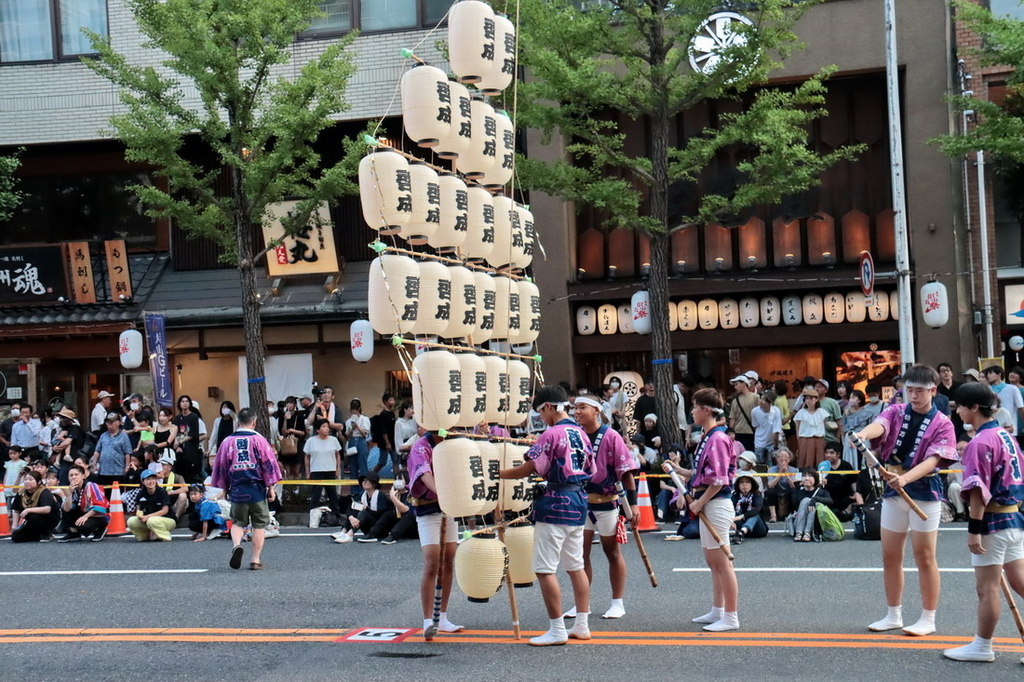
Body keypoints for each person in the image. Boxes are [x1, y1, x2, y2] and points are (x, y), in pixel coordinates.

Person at [851, 364, 958, 637]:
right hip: (892, 489)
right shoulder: (897, 411)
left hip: (923, 491)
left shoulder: (943, 422)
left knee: (924, 557)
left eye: (919, 391)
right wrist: (864, 435)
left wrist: (907, 479)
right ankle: (893, 614)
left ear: (933, 391)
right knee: (890, 556)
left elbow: (935, 458)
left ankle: (928, 618)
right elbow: (881, 424)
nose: (913, 396)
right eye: (909, 390)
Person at [500, 385, 595, 645]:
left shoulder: (551, 433)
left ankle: (557, 629)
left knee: (544, 569)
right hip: (578, 502)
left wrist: (500, 474)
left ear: (549, 407)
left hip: (554, 503)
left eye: (541, 412)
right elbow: (590, 468)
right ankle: (582, 625)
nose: (541, 417)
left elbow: (532, 466)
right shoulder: (581, 433)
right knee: (575, 566)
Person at [942, 381, 1024, 664]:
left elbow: (977, 491)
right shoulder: (1007, 436)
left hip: (992, 521)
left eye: (961, 407)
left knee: (986, 589)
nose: (958, 412)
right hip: (1014, 518)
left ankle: (982, 646)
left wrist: (973, 531)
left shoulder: (979, 442)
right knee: (1021, 582)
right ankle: (981, 645)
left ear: (974, 407)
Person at [662, 387, 740, 632]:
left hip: (716, 504)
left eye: (695, 407)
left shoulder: (717, 438)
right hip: (709, 502)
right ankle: (718, 610)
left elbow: (718, 480)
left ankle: (731, 615)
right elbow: (701, 475)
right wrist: (678, 470)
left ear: (706, 410)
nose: (692, 412)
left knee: (722, 562)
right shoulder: (708, 436)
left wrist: (699, 501)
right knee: (713, 561)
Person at [569, 394, 639, 620]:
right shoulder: (574, 435)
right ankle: (583, 603)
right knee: (580, 554)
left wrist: (634, 504)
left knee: (612, 552)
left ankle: (617, 602)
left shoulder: (611, 436)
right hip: (581, 502)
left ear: (597, 410)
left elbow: (625, 471)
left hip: (606, 503)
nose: (576, 412)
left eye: (582, 407)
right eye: (575, 408)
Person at [407, 431, 464, 639]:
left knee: (448, 560)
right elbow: (424, 474)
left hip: (449, 508)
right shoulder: (421, 446)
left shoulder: (454, 442)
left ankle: (443, 616)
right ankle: (427, 619)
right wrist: (443, 491)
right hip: (428, 510)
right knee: (433, 562)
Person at [212, 407, 283, 570]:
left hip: (237, 488)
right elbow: (268, 464)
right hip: (256, 488)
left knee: (237, 521)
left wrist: (224, 489)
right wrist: (271, 487)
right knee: (259, 524)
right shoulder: (259, 440)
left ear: (238, 422)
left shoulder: (227, 441)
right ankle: (255, 559)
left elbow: (221, 465)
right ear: (254, 422)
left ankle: (237, 544)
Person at [332, 472, 394, 544]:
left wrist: (367, 509)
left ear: (374, 483)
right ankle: (343, 531)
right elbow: (351, 507)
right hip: (368, 527)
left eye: (367, 480)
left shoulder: (380, 496)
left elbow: (382, 515)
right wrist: (351, 517)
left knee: (363, 513)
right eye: (363, 480)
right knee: (355, 510)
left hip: (380, 529)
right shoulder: (363, 494)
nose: (364, 482)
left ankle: (349, 535)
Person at [58, 464, 109, 542]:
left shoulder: (91, 486)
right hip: (84, 512)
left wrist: (85, 517)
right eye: (71, 475)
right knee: (65, 508)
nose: (73, 477)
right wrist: (69, 494)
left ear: (83, 476)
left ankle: (100, 529)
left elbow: (100, 506)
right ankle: (73, 533)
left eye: (76, 474)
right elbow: (67, 509)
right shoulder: (73, 489)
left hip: (98, 515)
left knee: (83, 526)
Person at [304, 419, 343, 514]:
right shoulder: (311, 441)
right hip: (316, 470)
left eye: (327, 427)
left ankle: (336, 514)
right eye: (324, 427)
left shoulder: (333, 440)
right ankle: (313, 515)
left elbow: (338, 455)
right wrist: (308, 472)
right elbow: (307, 457)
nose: (326, 429)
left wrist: (338, 469)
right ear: (317, 430)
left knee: (332, 493)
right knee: (316, 494)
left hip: (330, 470)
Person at [128, 469, 177, 541]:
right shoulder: (140, 493)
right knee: (131, 521)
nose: (151, 481)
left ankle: (165, 536)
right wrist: (139, 515)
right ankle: (144, 537)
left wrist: (147, 517)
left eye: (153, 479)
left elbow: (165, 510)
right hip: (148, 519)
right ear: (143, 481)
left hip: (168, 519)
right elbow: (138, 509)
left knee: (152, 521)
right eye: (148, 479)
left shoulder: (161, 492)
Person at [10, 470, 59, 542]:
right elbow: (16, 510)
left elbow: (47, 509)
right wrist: (14, 526)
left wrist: (28, 510)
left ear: (39, 482)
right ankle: (37, 535)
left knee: (32, 515)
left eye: (30, 479)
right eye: (26, 479)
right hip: (31, 521)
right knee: (16, 537)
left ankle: (46, 534)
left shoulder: (44, 491)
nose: (27, 481)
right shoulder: (21, 492)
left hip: (49, 519)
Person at [91, 412, 132, 488]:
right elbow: (97, 451)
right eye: (108, 422)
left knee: (116, 495)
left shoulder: (123, 436)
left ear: (118, 423)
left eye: (112, 422)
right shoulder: (103, 436)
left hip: (117, 472)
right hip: (103, 471)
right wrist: (94, 464)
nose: (109, 424)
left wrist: (127, 467)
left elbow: (127, 453)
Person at [790, 469, 831, 541]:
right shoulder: (799, 491)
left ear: (815, 479)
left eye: (810, 476)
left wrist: (815, 499)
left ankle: (807, 533)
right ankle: (800, 532)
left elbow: (830, 501)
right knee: (806, 500)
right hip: (799, 522)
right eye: (804, 476)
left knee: (815, 503)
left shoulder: (821, 492)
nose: (806, 478)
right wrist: (796, 488)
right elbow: (795, 506)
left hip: (816, 524)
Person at [818, 443, 856, 519]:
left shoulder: (846, 465)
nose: (828, 455)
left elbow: (853, 481)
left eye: (831, 453)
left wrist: (856, 493)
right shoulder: (821, 466)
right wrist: (820, 483)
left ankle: (844, 513)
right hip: (829, 498)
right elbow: (817, 484)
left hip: (845, 497)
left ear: (838, 454)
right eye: (826, 453)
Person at [793, 387, 828, 469]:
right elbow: (797, 427)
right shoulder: (801, 412)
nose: (809, 400)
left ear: (816, 399)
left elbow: (825, 424)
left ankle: (820, 479)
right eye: (807, 398)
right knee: (804, 460)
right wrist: (799, 440)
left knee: (820, 461)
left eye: (811, 398)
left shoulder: (821, 412)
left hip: (819, 439)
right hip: (805, 439)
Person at [172, 395, 203, 483]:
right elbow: (175, 433)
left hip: (191, 451)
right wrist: (177, 446)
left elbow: (193, 434)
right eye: (182, 401)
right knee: (180, 473)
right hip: (179, 452)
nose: (185, 403)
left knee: (191, 476)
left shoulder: (194, 417)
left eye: (186, 401)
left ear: (190, 404)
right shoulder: (177, 418)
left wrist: (180, 441)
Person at [765, 447, 800, 523]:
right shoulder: (771, 469)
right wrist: (780, 474)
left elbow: (795, 485)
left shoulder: (795, 470)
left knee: (795, 491)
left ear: (789, 459)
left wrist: (786, 474)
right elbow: (770, 485)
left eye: (786, 457)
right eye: (780, 456)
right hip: (776, 490)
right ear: (776, 459)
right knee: (770, 491)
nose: (783, 458)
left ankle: (794, 514)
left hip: (789, 490)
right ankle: (773, 516)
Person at [731, 472, 767, 544]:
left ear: (752, 484)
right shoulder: (735, 496)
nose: (744, 484)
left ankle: (741, 533)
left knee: (754, 514)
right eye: (742, 482)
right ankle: (741, 533)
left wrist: (740, 517)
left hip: (758, 529)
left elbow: (757, 509)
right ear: (738, 485)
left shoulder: (757, 495)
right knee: (731, 514)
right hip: (740, 525)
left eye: (747, 482)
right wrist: (731, 521)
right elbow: (729, 509)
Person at [842, 390, 873, 469]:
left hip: (862, 439)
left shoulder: (867, 413)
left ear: (859, 399)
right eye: (850, 398)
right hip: (849, 439)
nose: (851, 400)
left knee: (861, 459)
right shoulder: (846, 412)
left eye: (853, 397)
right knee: (850, 460)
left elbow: (870, 427)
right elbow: (843, 427)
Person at [751, 390, 783, 466]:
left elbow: (776, 431)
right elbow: (755, 425)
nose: (761, 401)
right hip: (759, 442)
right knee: (760, 465)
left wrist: (775, 446)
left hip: (772, 443)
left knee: (772, 464)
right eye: (761, 399)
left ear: (770, 402)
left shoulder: (776, 411)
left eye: (764, 400)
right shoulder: (755, 411)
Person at [727, 375, 758, 452]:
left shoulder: (756, 398)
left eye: (737, 384)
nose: (735, 387)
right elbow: (732, 419)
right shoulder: (735, 401)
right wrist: (730, 432)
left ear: (744, 384)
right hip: (739, 432)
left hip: (751, 432)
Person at [370, 393, 398, 474]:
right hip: (385, 443)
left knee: (395, 460)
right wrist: (387, 443)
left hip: (393, 441)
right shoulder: (383, 414)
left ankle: (397, 479)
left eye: (393, 400)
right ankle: (371, 474)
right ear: (385, 402)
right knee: (382, 462)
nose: (393, 402)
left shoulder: (392, 413)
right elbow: (383, 430)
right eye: (391, 400)